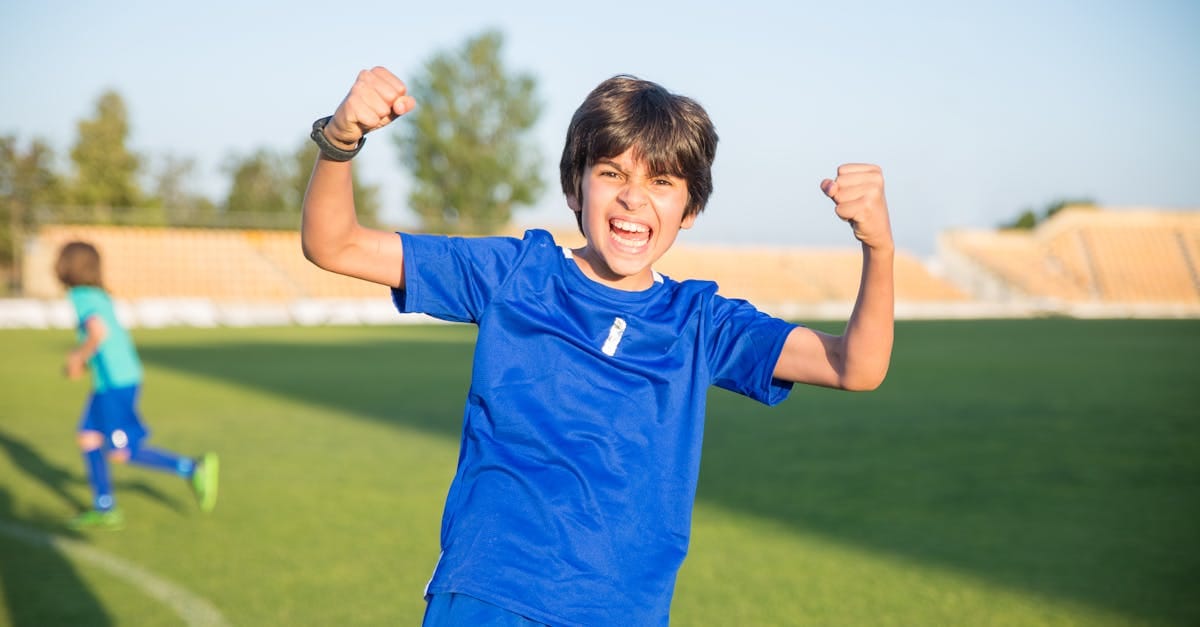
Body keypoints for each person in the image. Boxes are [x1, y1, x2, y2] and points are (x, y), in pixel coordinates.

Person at [302, 67, 894, 625]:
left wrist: (879, 248)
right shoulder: (516, 275)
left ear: (689, 208)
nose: (635, 198)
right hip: (489, 594)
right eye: (613, 173)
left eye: (661, 182)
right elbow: (336, 246)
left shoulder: (700, 322)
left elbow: (856, 366)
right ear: (573, 187)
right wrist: (340, 140)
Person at [56, 241, 219, 530]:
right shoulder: (97, 294)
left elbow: (98, 331)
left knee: (121, 451)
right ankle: (105, 508)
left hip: (117, 383)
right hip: (112, 380)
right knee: (89, 438)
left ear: (68, 267)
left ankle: (192, 468)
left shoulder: (81, 295)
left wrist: (76, 359)